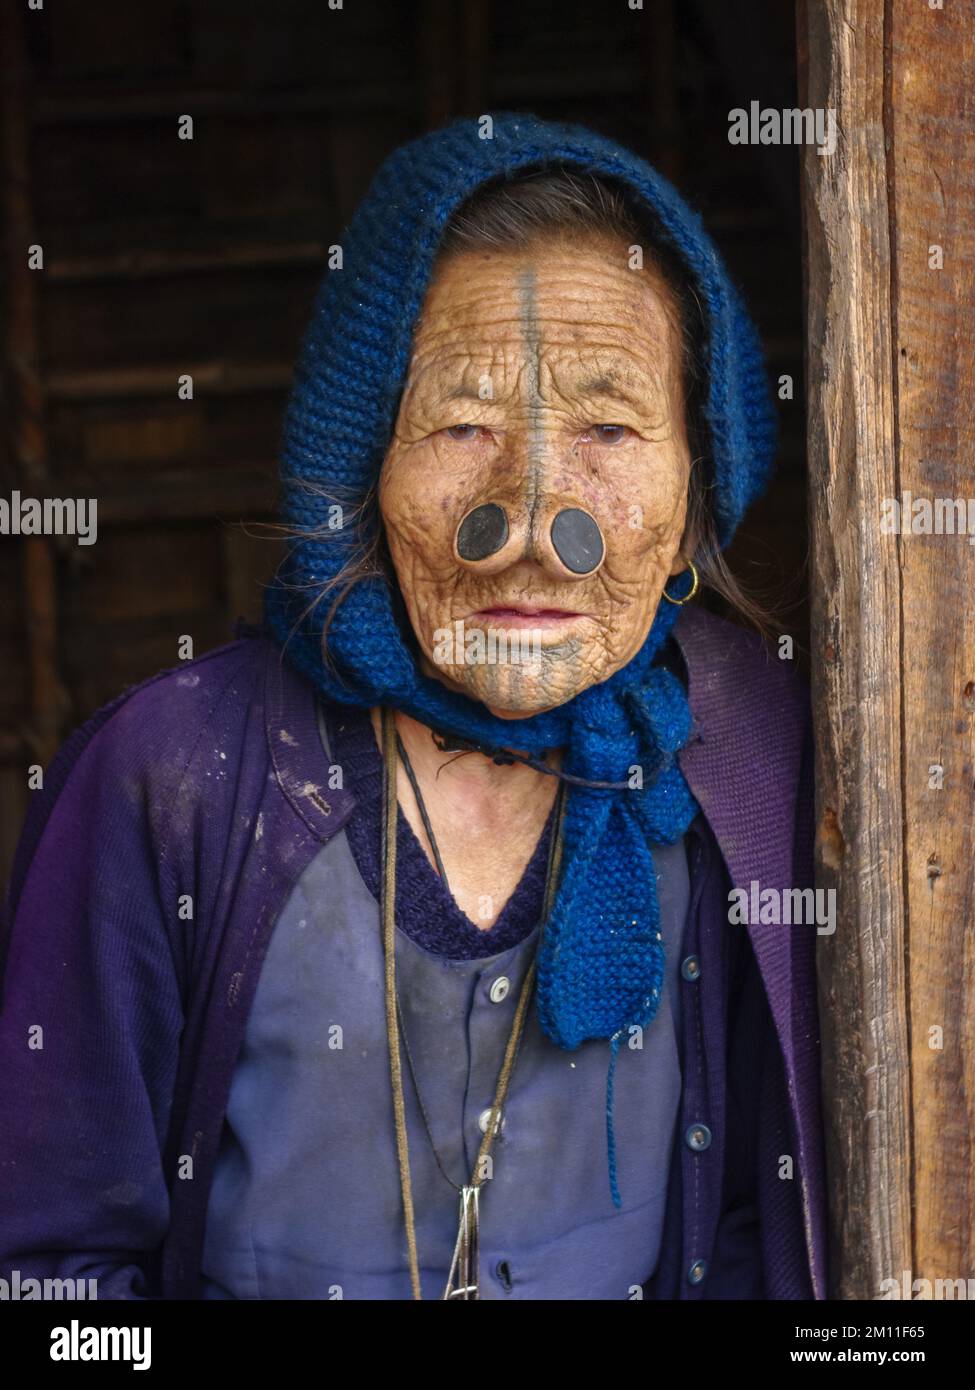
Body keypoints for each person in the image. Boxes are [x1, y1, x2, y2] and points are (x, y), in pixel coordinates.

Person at [0, 112, 826, 1301]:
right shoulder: (167, 780)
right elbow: (49, 1291)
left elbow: (770, 1237)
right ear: (357, 474)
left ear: (699, 495)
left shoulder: (742, 777)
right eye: (461, 423)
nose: (535, 526)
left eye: (607, 428)